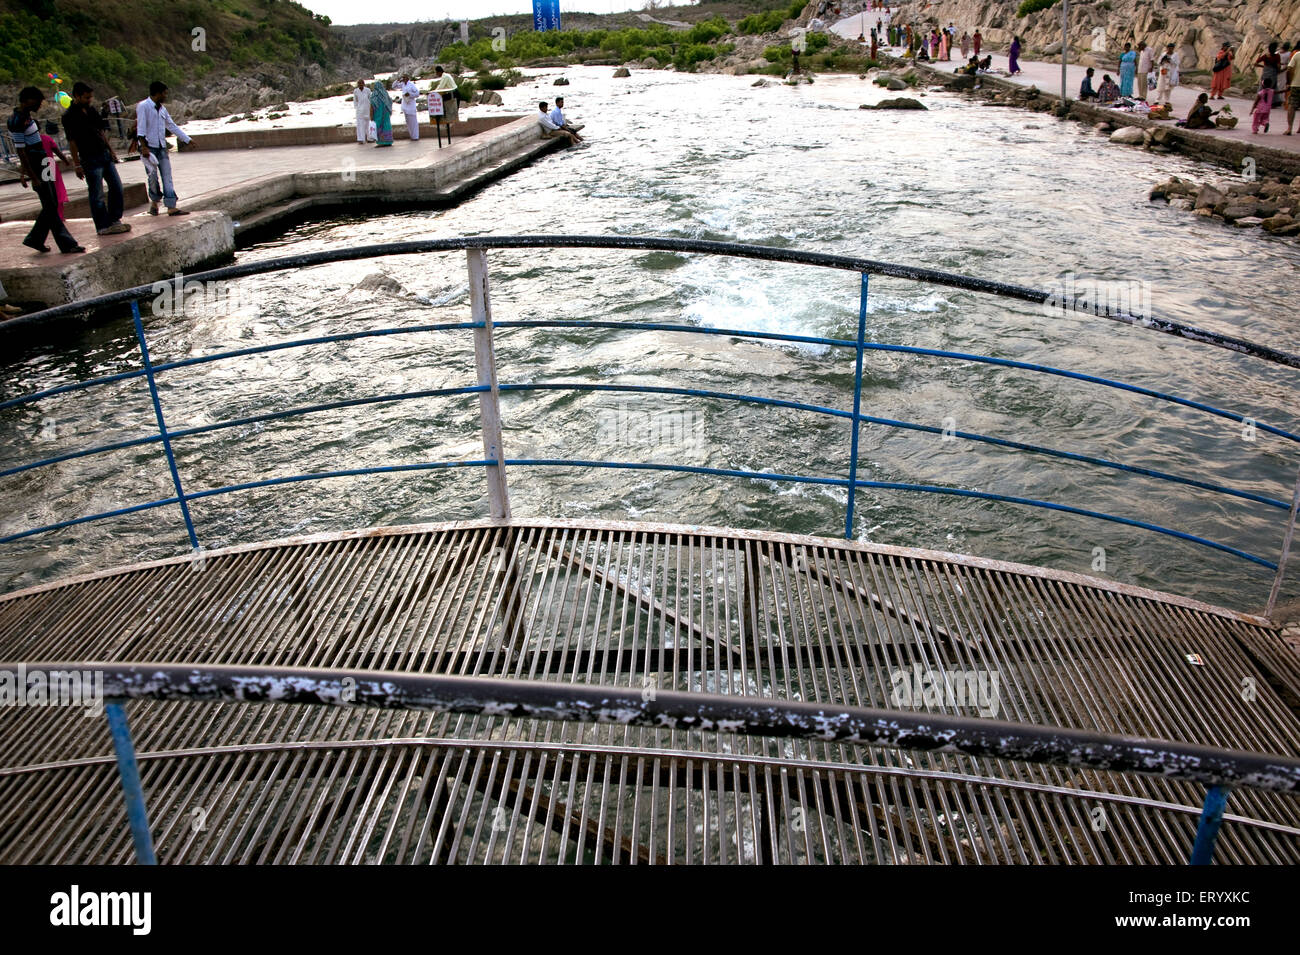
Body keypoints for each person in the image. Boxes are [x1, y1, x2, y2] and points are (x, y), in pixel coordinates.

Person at [7, 87, 83, 253]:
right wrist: (31, 176)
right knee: (50, 204)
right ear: (27, 100)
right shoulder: (16, 120)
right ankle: (66, 244)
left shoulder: (26, 117)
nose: (40, 105)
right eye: (38, 102)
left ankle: (35, 239)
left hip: (43, 162)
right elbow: (21, 151)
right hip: (36, 165)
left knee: (52, 203)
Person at [62, 81, 130, 235]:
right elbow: (71, 141)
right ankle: (102, 225)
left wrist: (111, 150)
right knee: (96, 193)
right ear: (77, 96)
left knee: (116, 187)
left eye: (90, 97)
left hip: (103, 154)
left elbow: (100, 131)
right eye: (86, 98)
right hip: (89, 157)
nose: (89, 100)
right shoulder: (69, 116)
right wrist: (77, 164)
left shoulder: (91, 110)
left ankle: (114, 219)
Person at [136, 80, 193, 216]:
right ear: (158, 93)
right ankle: (155, 202)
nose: (165, 96)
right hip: (149, 147)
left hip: (161, 147)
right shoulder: (144, 106)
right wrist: (143, 147)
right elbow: (141, 128)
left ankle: (171, 206)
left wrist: (187, 139)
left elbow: (171, 125)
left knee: (167, 176)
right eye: (164, 94)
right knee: (152, 177)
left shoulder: (162, 109)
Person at [38, 131, 70, 220]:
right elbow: (57, 151)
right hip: (50, 164)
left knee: (47, 192)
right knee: (57, 190)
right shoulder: (46, 138)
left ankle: (53, 216)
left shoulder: (29, 141)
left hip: (40, 167)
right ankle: (59, 215)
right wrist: (66, 161)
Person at [370, 78, 394, 146]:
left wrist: (371, 116)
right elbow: (390, 102)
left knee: (379, 126)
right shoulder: (385, 94)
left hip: (377, 115)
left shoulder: (374, 95)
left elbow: (371, 106)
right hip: (386, 115)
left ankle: (381, 142)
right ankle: (388, 141)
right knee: (386, 126)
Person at [399, 74, 420, 140]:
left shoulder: (411, 85)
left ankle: (415, 136)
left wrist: (410, 95)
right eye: (403, 78)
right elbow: (394, 86)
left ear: (408, 78)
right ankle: (412, 136)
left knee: (413, 122)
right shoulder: (402, 84)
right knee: (408, 122)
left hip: (411, 105)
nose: (404, 79)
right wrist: (398, 80)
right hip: (405, 105)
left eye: (405, 77)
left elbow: (417, 94)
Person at [1286, 41, 1300, 134]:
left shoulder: (1297, 55)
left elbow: (1289, 69)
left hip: (1296, 84)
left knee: (1292, 106)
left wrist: (1289, 82)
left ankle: (1289, 128)